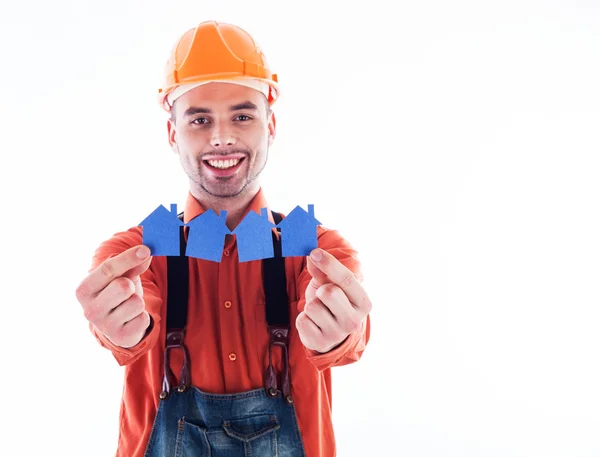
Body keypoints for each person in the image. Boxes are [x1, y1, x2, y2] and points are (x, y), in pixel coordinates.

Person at [75, 20, 372, 457]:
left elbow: (349, 333)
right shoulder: (134, 255)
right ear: (173, 132)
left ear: (270, 125)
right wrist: (121, 328)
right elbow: (132, 318)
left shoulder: (317, 249)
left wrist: (341, 333)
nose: (221, 137)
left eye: (242, 115)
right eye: (199, 119)